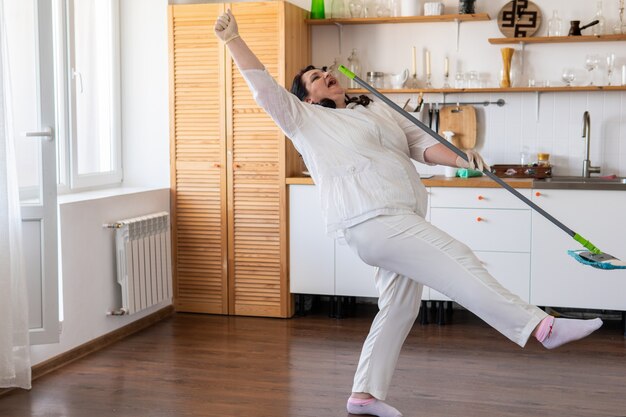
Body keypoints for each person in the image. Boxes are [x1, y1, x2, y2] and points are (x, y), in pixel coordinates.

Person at [214, 11, 603, 417]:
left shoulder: (375, 110)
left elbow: (420, 143)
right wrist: (234, 41)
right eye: (314, 77)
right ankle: (541, 327)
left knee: (400, 306)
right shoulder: (304, 119)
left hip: (401, 215)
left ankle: (363, 394)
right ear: (307, 97)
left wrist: (462, 158)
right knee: (459, 258)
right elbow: (263, 88)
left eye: (324, 70)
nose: (324, 74)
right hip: (370, 218)